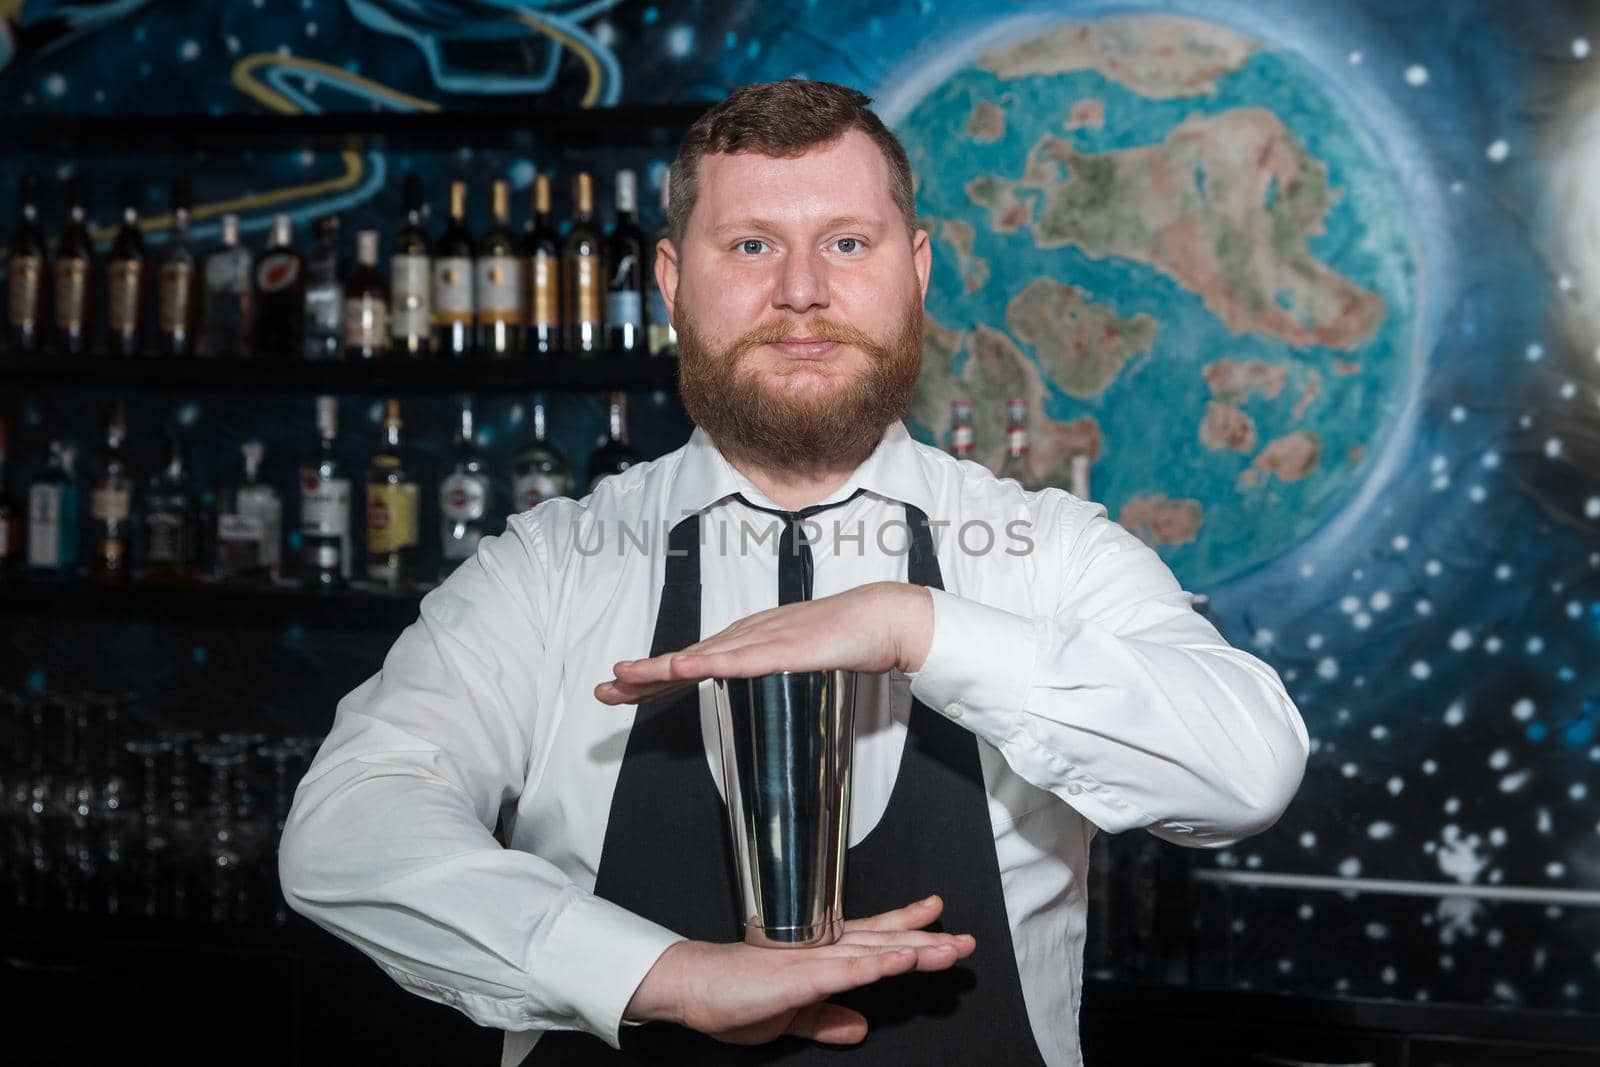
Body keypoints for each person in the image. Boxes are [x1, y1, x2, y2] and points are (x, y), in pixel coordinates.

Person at [279, 79, 1308, 1066]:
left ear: (916, 269)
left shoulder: (1047, 550)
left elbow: (1245, 769)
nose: (802, 291)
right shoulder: (547, 564)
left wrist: (919, 626)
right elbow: (347, 826)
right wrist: (660, 974)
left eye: (847, 244)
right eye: (752, 245)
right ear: (674, 282)